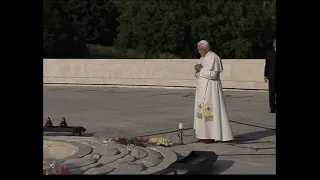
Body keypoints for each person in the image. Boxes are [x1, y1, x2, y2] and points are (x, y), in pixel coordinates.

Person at [193, 40, 234, 143]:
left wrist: (200, 70)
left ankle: (212, 135)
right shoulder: (202, 58)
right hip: (202, 90)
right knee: (201, 111)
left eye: (201, 49)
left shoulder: (213, 57)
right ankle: (203, 135)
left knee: (211, 110)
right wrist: (198, 70)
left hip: (211, 89)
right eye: (198, 49)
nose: (199, 51)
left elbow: (214, 74)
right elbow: (199, 74)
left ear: (207, 48)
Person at [264, 38, 276, 113]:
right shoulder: (269, 53)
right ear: (273, 44)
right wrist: (265, 75)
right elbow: (267, 65)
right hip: (272, 76)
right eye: (275, 43)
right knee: (271, 93)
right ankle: (272, 108)